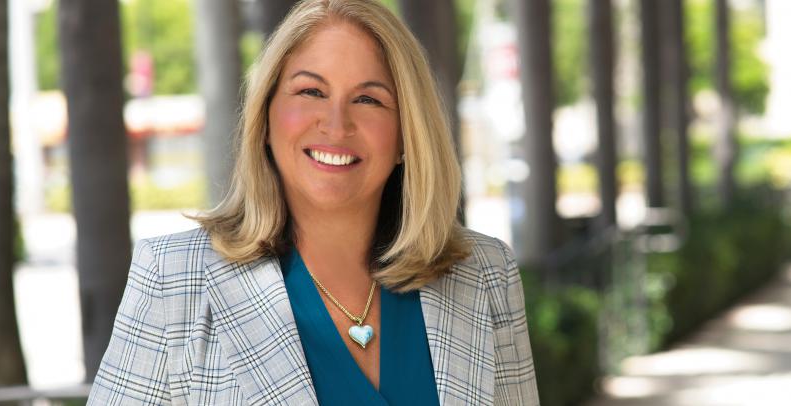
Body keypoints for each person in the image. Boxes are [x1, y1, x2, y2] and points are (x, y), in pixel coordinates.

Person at [87, 0, 539, 404]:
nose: (336, 124)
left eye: (368, 98)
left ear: (407, 135)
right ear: (265, 118)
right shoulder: (172, 278)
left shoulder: (485, 272)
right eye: (311, 91)